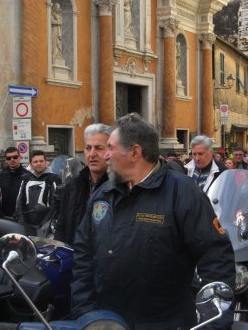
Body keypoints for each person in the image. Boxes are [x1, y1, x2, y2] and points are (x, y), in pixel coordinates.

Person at [70, 113, 235, 329]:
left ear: (135, 152)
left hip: (166, 322)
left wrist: (214, 323)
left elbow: (216, 260)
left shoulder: (183, 193)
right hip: (106, 322)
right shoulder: (103, 195)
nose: (106, 156)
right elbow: (83, 256)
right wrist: (86, 313)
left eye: (110, 147)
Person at [54, 124, 110, 245]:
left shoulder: (120, 187)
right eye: (88, 148)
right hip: (73, 258)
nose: (92, 154)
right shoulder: (72, 186)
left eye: (99, 148)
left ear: (111, 151)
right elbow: (61, 226)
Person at [15, 150, 62, 234]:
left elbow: (56, 203)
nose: (39, 164)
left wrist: (47, 222)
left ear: (45, 162)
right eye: (35, 161)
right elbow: (20, 201)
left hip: (46, 226)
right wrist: (21, 222)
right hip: (27, 225)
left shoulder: (54, 178)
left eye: (41, 161)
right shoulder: (26, 179)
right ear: (31, 164)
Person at [0, 147, 30, 217]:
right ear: (6, 160)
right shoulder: (0, 176)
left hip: (22, 219)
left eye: (15, 157)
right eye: (9, 158)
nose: (12, 160)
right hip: (3, 217)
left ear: (20, 157)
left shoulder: (29, 176)